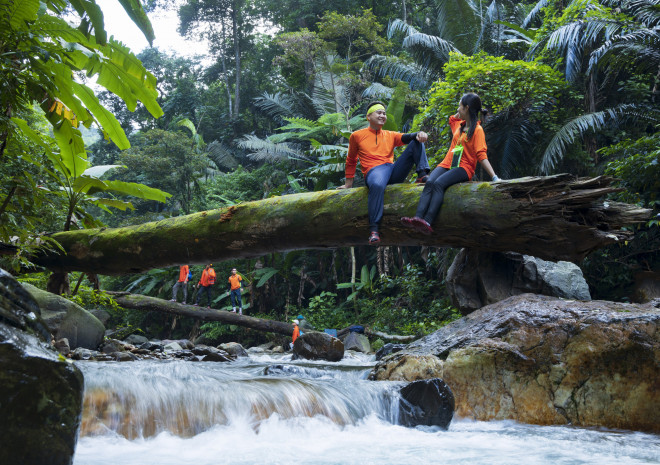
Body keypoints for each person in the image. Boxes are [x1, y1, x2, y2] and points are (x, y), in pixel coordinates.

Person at [401, 92, 500, 235]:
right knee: (429, 183)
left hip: (463, 168)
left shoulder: (477, 130)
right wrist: (462, 113)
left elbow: (481, 155)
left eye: (460, 106)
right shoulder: (459, 125)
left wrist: (494, 177)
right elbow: (452, 118)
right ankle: (417, 218)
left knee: (439, 184)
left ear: (466, 107)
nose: (458, 109)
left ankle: (427, 221)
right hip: (447, 163)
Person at [338, 100, 430, 245]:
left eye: (384, 113)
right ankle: (374, 229)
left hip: (391, 170)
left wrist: (420, 133)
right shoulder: (356, 136)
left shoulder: (390, 135)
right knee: (377, 184)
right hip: (374, 171)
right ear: (368, 117)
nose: (382, 115)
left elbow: (408, 137)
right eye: (379, 112)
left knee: (416, 140)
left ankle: (422, 175)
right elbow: (351, 160)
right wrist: (348, 184)